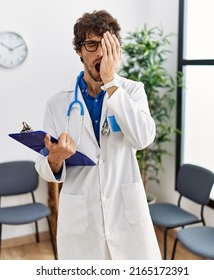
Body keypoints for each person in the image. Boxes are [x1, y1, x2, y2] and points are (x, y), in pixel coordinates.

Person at [35, 10, 161, 260]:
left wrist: (111, 83)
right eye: (92, 44)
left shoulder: (132, 91)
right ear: (79, 51)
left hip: (126, 214)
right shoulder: (58, 104)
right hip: (82, 221)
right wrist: (55, 158)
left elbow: (142, 139)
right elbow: (43, 166)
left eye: (107, 44)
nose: (101, 53)